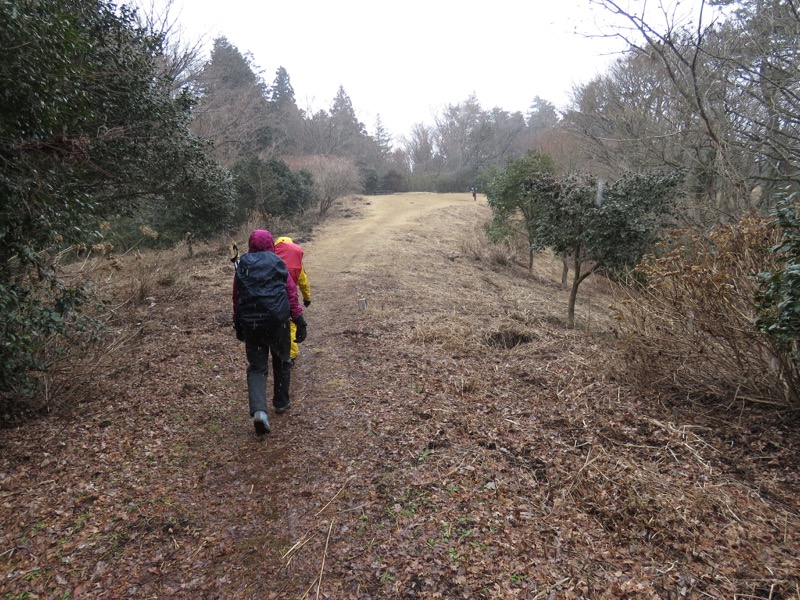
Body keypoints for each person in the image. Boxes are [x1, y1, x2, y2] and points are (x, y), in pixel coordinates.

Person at [232, 230, 308, 435]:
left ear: (250, 244)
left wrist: (238, 324)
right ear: (270, 245)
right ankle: (281, 403)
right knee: (282, 361)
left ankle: (259, 412)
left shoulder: (243, 265)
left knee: (257, 368)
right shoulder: (277, 262)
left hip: (252, 324)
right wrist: (299, 321)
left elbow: (236, 297)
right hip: (278, 322)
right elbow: (291, 293)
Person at [274, 236, 312, 362]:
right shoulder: (296, 261)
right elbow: (303, 281)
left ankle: (276, 349)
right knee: (290, 325)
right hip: (289, 297)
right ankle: (291, 355)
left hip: (272, 296)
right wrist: (307, 298)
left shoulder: (271, 255)